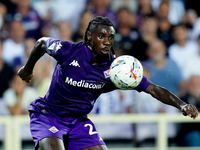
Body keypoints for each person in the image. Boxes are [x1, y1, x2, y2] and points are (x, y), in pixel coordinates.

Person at [17, 16, 198, 150]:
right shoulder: (68, 51)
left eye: (110, 38)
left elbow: (154, 89)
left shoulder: (117, 71)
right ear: (89, 36)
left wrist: (182, 105)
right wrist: (28, 69)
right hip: (49, 114)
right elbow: (41, 43)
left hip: (78, 121)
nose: (106, 42)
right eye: (101, 36)